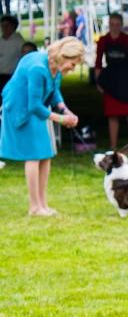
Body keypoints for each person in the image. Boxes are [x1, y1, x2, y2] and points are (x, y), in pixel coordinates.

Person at [0, 37, 82, 215]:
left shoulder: (55, 66)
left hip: (36, 108)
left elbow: (55, 91)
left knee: (46, 153)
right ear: (64, 56)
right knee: (34, 154)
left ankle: (43, 205)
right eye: (73, 64)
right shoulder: (38, 68)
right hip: (20, 108)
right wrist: (61, 119)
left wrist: (66, 110)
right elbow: (34, 106)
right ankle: (34, 207)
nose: (72, 68)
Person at [95, 13, 128, 150]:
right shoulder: (103, 40)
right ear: (108, 25)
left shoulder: (127, 39)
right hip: (110, 79)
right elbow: (98, 63)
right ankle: (113, 145)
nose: (114, 27)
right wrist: (99, 82)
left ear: (121, 25)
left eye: (117, 24)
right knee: (112, 114)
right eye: (112, 24)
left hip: (126, 78)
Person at [0, 15, 25, 102]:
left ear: (13, 27)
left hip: (11, 76)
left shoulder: (19, 41)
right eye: (2, 26)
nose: (4, 28)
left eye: (7, 26)